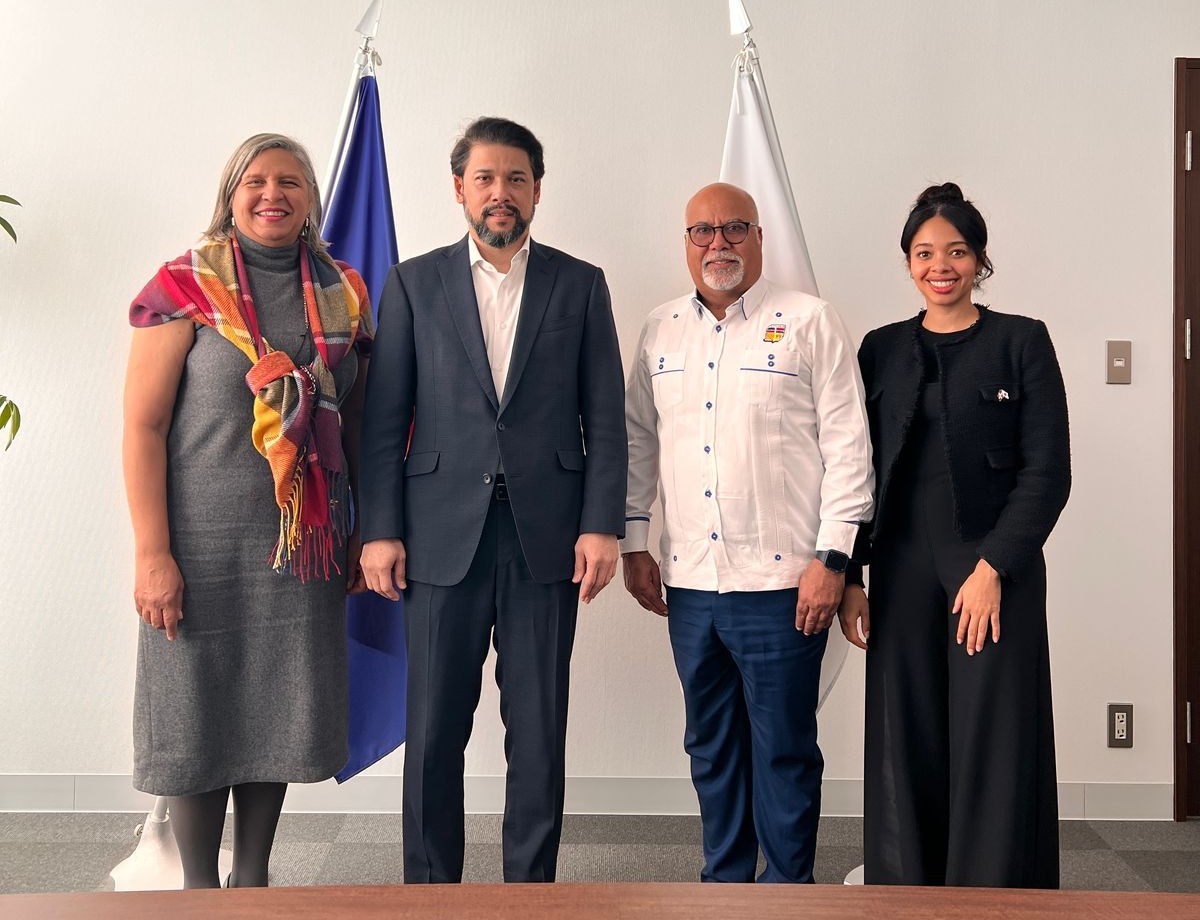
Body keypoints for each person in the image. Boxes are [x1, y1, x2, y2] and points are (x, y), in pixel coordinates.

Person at [358, 116, 627, 884]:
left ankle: (530, 894)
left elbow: (605, 416)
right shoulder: (414, 283)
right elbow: (384, 422)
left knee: (538, 732)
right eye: (485, 178)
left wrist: (602, 524)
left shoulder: (580, 284)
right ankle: (429, 894)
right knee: (434, 730)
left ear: (537, 190)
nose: (500, 192)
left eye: (515, 178)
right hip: (437, 535)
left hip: (549, 537)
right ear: (459, 189)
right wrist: (380, 529)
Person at [123, 133, 373, 889]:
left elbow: (358, 423)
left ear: (311, 199)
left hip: (303, 540)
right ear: (230, 195)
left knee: (278, 702)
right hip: (198, 542)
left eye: (290, 181)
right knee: (195, 706)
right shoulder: (184, 286)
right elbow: (143, 427)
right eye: (256, 181)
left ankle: (253, 878)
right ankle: (201, 887)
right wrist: (152, 554)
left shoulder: (345, 291)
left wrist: (357, 531)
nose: (273, 194)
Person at [622, 182, 874, 883]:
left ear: (759, 237)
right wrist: (634, 541)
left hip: (785, 585)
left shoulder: (810, 321)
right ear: (686, 242)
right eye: (702, 231)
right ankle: (724, 886)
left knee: (784, 748)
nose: (718, 244)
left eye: (734, 228)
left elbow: (849, 449)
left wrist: (834, 559)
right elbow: (638, 442)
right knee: (710, 745)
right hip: (690, 586)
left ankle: (789, 891)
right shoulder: (659, 329)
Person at [840, 182, 1070, 888]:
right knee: (904, 728)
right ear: (908, 262)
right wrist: (852, 575)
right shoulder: (880, 348)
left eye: (957, 251)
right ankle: (906, 890)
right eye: (924, 253)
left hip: (993, 568)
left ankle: (993, 893)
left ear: (980, 259)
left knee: (992, 733)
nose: (940, 266)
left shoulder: (1021, 341)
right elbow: (854, 468)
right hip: (901, 565)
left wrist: (994, 567)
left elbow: (1048, 472)